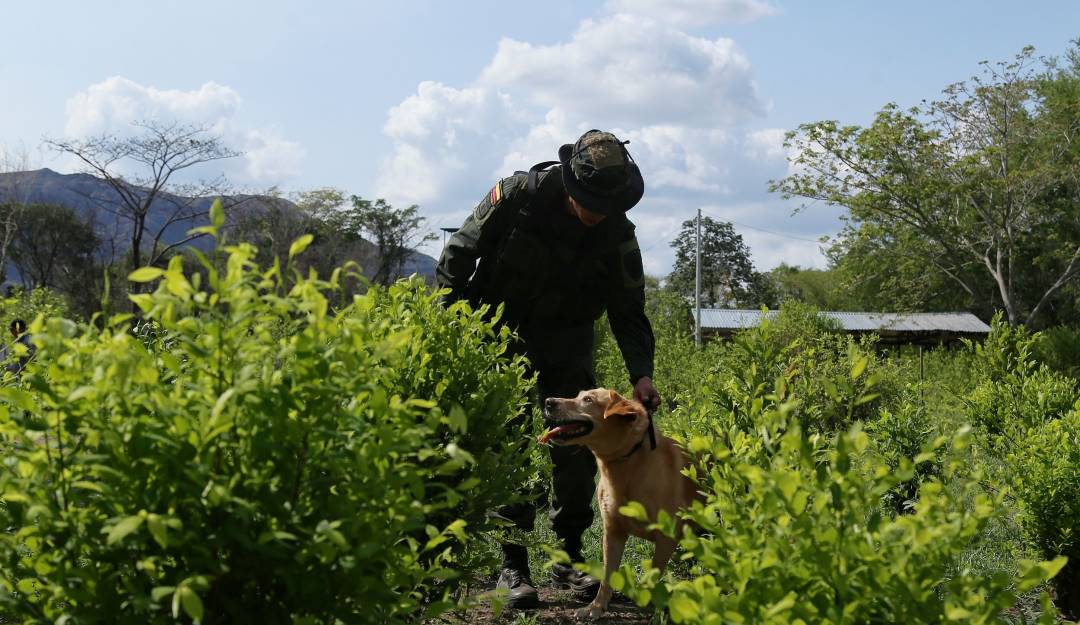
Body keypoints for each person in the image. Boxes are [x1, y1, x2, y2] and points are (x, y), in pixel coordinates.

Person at [437, 129, 660, 609]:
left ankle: (569, 558)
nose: (597, 212)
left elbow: (628, 310)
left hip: (568, 340)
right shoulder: (516, 197)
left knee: (579, 447)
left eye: (607, 205)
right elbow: (457, 256)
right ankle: (513, 564)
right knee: (510, 446)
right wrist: (454, 327)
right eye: (590, 203)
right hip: (500, 334)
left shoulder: (618, 233)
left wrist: (641, 373)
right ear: (571, 182)